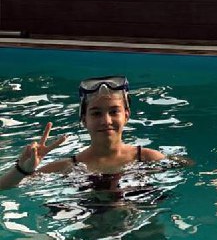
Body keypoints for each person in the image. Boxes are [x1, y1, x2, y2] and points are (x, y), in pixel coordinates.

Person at [0, 75, 165, 190]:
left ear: (126, 116)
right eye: (96, 113)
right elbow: (4, 188)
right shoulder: (67, 167)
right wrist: (21, 170)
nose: (106, 121)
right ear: (84, 119)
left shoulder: (149, 158)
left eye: (114, 112)